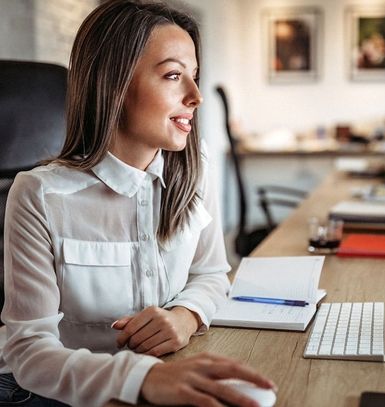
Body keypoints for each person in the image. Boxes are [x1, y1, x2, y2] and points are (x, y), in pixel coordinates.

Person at [0, 1, 274, 406]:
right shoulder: (39, 195)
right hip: (64, 392)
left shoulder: (196, 169)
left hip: (171, 372)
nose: (196, 96)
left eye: (194, 77)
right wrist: (142, 379)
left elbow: (213, 273)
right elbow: (27, 351)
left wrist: (186, 316)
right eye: (174, 76)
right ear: (115, 84)